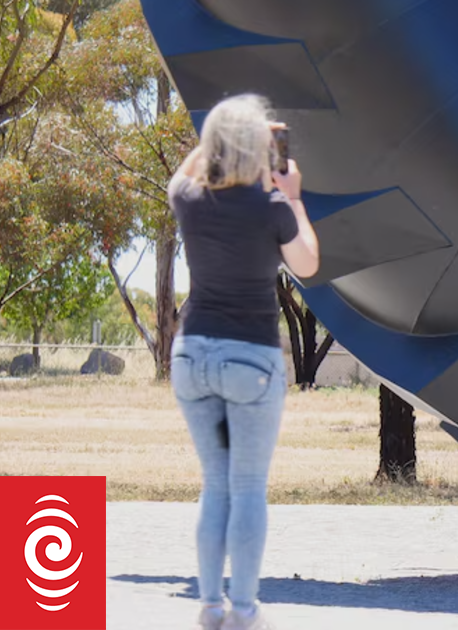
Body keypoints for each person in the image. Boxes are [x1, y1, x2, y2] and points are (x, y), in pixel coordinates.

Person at [168, 93, 319, 630]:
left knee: (216, 483)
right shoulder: (272, 208)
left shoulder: (188, 197)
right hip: (250, 358)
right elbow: (308, 261)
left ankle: (210, 606)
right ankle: (245, 610)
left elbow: (185, 174)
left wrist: (216, 139)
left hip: (192, 355)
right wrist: (294, 196)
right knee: (249, 484)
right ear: (259, 147)